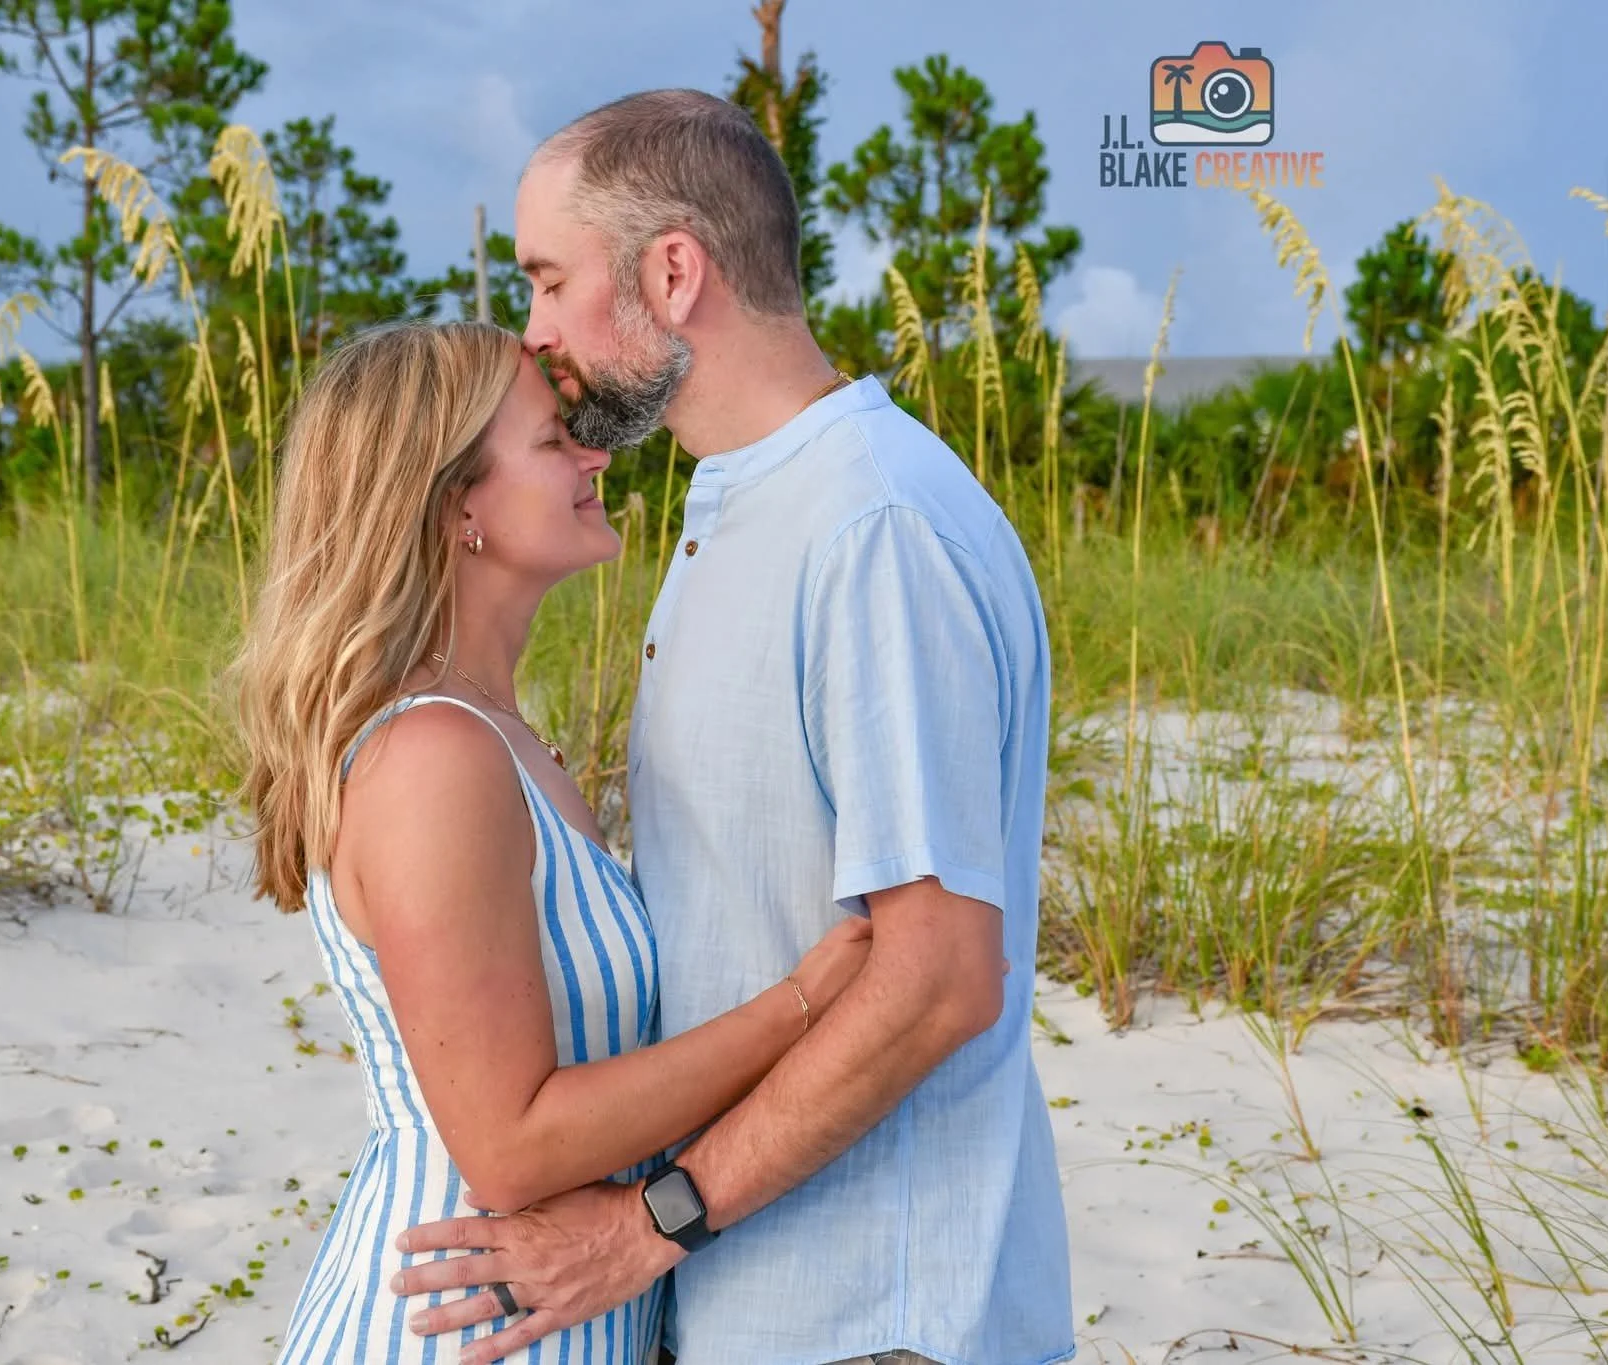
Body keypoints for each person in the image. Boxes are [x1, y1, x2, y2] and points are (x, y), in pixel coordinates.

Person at [389, 90, 1076, 1365]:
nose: (534, 333)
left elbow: (936, 977)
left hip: (868, 1316)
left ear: (672, 272)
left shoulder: (869, 525)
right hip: (753, 1300)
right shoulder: (743, 504)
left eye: (548, 281)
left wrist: (647, 1226)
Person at [232, 318, 873, 1364]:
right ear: (456, 508)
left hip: (541, 1318)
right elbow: (510, 1146)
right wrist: (800, 1006)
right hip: (455, 1327)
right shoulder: (433, 757)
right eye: (550, 439)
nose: (594, 458)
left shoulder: (498, 736)